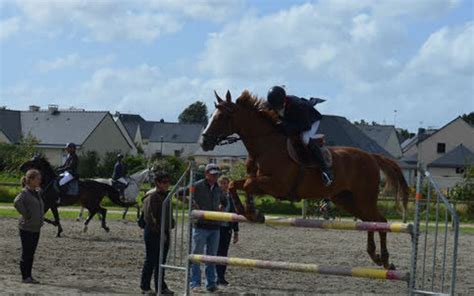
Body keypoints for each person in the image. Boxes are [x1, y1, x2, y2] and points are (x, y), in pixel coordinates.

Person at [267, 85, 333, 186]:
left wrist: (286, 127)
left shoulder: (297, 105)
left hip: (310, 121)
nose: (276, 108)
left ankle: (326, 171)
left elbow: (305, 126)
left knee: (304, 138)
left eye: (278, 105)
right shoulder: (273, 103)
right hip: (295, 121)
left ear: (284, 100)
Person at [185, 163, 227, 293]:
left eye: (216, 174)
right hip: (200, 226)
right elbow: (180, 194)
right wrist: (192, 204)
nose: (215, 176)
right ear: (206, 174)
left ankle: (211, 284)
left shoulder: (218, 188)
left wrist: (221, 207)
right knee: (196, 256)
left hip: (215, 226)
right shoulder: (196, 185)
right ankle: (195, 283)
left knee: (212, 257)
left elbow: (224, 201)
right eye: (213, 174)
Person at [140, 171, 174, 295]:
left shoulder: (166, 195)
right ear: (157, 183)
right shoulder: (152, 196)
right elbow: (149, 217)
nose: (167, 184)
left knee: (162, 261)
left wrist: (171, 223)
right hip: (153, 232)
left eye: (168, 182)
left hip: (164, 231)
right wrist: (160, 232)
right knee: (151, 259)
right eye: (164, 182)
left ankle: (161, 286)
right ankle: (145, 287)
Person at [13, 169, 44, 284]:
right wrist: (26, 215)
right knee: (27, 253)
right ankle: (25, 277)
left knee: (31, 253)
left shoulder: (37, 192)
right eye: (37, 179)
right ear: (30, 180)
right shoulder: (25, 193)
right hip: (27, 228)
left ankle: (29, 276)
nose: (40, 181)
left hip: (36, 227)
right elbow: (16, 202)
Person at [216, 176, 239, 287]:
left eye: (226, 183)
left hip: (227, 228)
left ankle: (221, 277)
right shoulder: (216, 195)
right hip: (216, 228)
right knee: (216, 252)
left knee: (224, 253)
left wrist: (236, 232)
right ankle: (216, 276)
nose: (225, 186)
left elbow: (234, 214)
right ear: (219, 184)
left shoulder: (230, 196)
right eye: (223, 183)